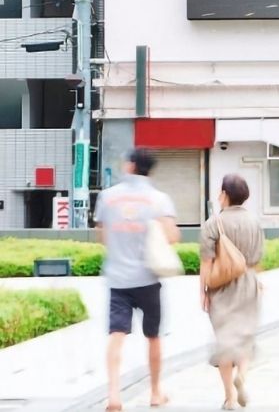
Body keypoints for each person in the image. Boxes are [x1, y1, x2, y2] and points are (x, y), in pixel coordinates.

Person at [95, 148, 179, 412]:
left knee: (116, 335)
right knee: (153, 336)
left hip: (118, 279)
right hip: (148, 278)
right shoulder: (160, 200)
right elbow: (172, 237)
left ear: (131, 165)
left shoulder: (107, 197)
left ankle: (114, 396)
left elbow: (103, 237)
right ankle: (155, 393)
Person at [200, 174, 264, 410]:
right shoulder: (254, 222)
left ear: (225, 194)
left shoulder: (213, 223)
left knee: (225, 341)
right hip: (248, 283)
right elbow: (258, 257)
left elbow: (206, 262)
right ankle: (242, 375)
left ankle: (230, 397)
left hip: (221, 287)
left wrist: (203, 291)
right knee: (244, 336)